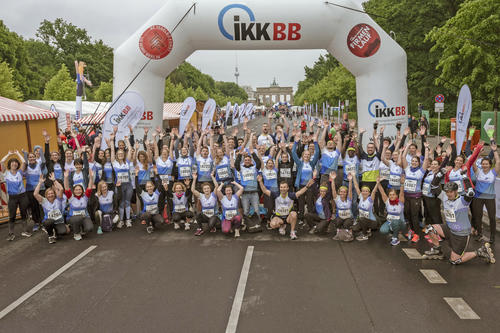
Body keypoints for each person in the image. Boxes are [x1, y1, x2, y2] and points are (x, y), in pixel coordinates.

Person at [423, 169, 495, 264]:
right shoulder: (444, 196)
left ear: (456, 191)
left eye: (451, 192)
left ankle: (480, 252)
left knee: (454, 260)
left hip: (461, 234)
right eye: (447, 192)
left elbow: (471, 192)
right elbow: (433, 186)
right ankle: (437, 250)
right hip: (449, 229)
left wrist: (465, 176)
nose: (449, 194)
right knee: (429, 228)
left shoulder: (463, 201)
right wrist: (441, 173)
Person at [258, 174, 313, 240]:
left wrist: (307, 186)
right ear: (279, 188)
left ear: (287, 188)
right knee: (272, 224)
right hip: (278, 216)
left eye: (284, 187)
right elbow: (265, 191)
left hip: (288, 217)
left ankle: (292, 232)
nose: (283, 189)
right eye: (281, 187)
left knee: (294, 214)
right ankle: (282, 225)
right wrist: (260, 181)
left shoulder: (290, 195)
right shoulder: (276, 194)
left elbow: (300, 192)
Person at [471, 141, 499, 245]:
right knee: (478, 216)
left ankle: (492, 237)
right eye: (483, 163)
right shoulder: (478, 171)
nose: (484, 165)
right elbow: (473, 161)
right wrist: (477, 151)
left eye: (486, 164)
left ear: (490, 165)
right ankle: (479, 234)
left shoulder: (493, 172)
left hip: (490, 198)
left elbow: (498, 161)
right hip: (478, 197)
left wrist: (495, 150)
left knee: (492, 217)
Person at [1, 150, 31, 241]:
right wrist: (8, 154)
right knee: (12, 216)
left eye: (15, 163)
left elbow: (24, 162)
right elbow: (1, 162)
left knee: (23, 214)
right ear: (9, 164)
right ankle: (11, 234)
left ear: (17, 165)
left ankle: (25, 231)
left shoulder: (20, 172)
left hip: (22, 196)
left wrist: (18, 154)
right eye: (12, 163)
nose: (14, 164)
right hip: (12, 197)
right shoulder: (6, 173)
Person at [34, 173, 67, 243]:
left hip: (59, 221)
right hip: (49, 221)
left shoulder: (58, 199)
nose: (50, 195)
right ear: (46, 195)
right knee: (48, 222)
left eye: (52, 193)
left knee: (63, 232)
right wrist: (40, 183)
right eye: (48, 194)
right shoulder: (44, 201)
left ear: (54, 194)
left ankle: (56, 231)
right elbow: (35, 194)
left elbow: (61, 189)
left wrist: (54, 180)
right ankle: (51, 236)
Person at [64, 168, 94, 241]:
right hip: (73, 218)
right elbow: (67, 188)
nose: (78, 191)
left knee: (89, 228)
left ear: (82, 191)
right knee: (77, 218)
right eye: (76, 190)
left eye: (80, 189)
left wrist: (91, 177)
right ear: (73, 191)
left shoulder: (85, 197)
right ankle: (76, 233)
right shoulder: (71, 198)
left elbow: (89, 187)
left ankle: (82, 228)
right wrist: (66, 178)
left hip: (84, 217)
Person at [378, 176, 406, 246]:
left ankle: (395, 238)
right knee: (382, 230)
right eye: (390, 195)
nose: (391, 196)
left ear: (396, 196)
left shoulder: (400, 202)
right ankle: (392, 231)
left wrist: (402, 184)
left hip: (401, 223)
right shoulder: (387, 201)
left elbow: (401, 193)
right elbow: (382, 192)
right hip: (390, 221)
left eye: (393, 194)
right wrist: (378, 183)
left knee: (395, 222)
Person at [330, 172, 355, 242]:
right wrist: (333, 180)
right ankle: (338, 233)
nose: (342, 193)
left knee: (347, 224)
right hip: (340, 217)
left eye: (344, 192)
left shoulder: (349, 199)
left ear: (346, 193)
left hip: (348, 218)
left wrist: (350, 181)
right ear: (339, 192)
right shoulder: (337, 198)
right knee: (337, 221)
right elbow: (333, 190)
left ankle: (349, 233)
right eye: (341, 192)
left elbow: (350, 190)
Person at [353, 175, 379, 241]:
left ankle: (365, 235)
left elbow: (374, 191)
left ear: (369, 193)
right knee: (355, 229)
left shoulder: (370, 199)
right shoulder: (361, 197)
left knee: (362, 219)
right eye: (363, 191)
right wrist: (353, 176)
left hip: (373, 222)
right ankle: (367, 230)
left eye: (366, 191)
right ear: (361, 192)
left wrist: (377, 183)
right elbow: (356, 186)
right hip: (364, 220)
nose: (364, 192)